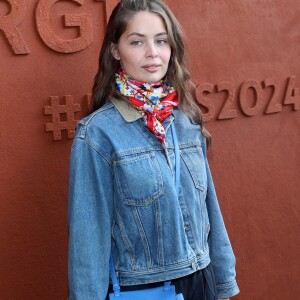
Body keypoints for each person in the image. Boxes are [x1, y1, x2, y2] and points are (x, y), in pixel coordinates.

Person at [68, 0, 240, 299]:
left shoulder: (185, 121)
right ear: (115, 50)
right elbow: (88, 240)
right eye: (137, 41)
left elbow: (210, 210)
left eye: (161, 41)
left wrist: (224, 285)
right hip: (145, 288)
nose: (152, 53)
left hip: (202, 282)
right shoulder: (98, 134)